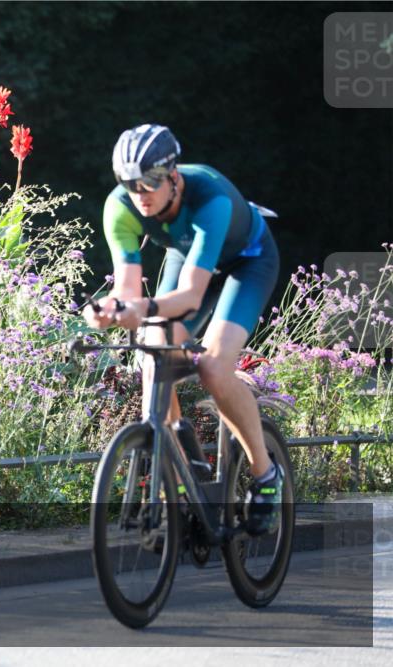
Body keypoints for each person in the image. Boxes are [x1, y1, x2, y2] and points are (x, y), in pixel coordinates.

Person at [85, 124, 282, 535]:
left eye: (150, 182)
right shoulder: (120, 207)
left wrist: (140, 308)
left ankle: (266, 477)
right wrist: (109, 311)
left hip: (247, 263)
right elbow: (126, 291)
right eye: (129, 183)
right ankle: (176, 474)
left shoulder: (209, 195)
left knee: (213, 367)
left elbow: (191, 296)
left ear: (173, 175)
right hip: (187, 255)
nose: (141, 194)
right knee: (153, 355)